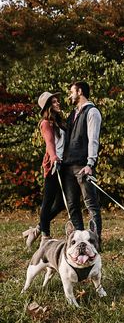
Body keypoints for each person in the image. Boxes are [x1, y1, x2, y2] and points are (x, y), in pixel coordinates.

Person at [23, 91, 66, 247]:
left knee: (61, 203)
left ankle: (37, 229)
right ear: (48, 106)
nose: (58, 103)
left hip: (63, 165)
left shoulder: (60, 122)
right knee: (47, 202)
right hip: (53, 166)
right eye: (54, 102)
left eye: (57, 101)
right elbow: (49, 143)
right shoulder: (45, 123)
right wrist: (54, 157)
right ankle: (44, 237)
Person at [63, 81, 102, 248]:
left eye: (72, 91)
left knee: (91, 204)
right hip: (67, 166)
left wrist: (90, 163)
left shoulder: (92, 112)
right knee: (72, 205)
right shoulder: (72, 114)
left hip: (83, 165)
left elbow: (93, 139)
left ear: (79, 91)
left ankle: (95, 241)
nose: (70, 95)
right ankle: (79, 241)